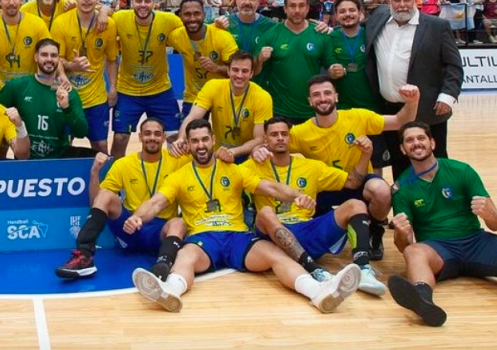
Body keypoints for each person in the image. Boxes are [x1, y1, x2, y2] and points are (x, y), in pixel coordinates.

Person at [127, 119, 361, 313]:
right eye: (195, 140)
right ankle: (170, 292)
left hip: (237, 235)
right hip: (203, 237)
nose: (200, 145)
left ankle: (318, 292)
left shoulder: (234, 169)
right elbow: (156, 202)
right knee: (185, 256)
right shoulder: (179, 176)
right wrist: (138, 216)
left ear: (213, 140)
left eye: (204, 139)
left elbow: (271, 188)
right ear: (188, 144)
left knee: (274, 254)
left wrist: (296, 196)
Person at [388, 121, 497, 327]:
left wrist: (489, 214)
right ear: (402, 149)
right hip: (438, 249)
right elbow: (404, 246)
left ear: (432, 143)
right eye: (409, 140)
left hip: (476, 242)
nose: (416, 143)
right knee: (413, 253)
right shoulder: (402, 187)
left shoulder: (461, 170)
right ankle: (422, 300)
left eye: (421, 138)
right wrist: (401, 232)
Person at [245, 117, 386, 296]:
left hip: (306, 229)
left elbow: (352, 182)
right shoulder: (250, 166)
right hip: (273, 235)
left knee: (355, 205)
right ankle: (314, 270)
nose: (280, 138)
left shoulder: (311, 167)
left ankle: (363, 269)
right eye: (274, 134)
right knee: (264, 212)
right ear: (265, 140)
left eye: (284, 134)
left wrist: (366, 154)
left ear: (290, 138)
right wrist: (252, 152)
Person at [55, 119, 190, 279]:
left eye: (157, 134)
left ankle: (162, 267)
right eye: (147, 133)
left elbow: (207, 160)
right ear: (140, 137)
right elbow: (95, 203)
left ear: (163, 138)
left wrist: (189, 147)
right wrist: (94, 173)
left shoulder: (180, 160)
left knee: (179, 223)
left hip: (159, 232)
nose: (152, 138)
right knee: (106, 195)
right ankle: (84, 256)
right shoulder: (123, 164)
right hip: (130, 228)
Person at [366, 0, 463, 179]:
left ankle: (443, 205)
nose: (402, 4)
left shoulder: (437, 26)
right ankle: (405, 206)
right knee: (400, 163)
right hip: (390, 110)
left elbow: (453, 66)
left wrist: (447, 96)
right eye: (397, 0)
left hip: (427, 108)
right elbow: (351, 27)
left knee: (435, 162)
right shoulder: (378, 18)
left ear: (415, 0)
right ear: (389, 1)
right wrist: (325, 27)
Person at [110, 0, 186, 157]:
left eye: (147, 1)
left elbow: (192, 30)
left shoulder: (169, 20)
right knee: (120, 137)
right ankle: (114, 176)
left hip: (159, 90)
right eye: (138, 1)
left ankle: (177, 178)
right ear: (131, 3)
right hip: (128, 91)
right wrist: (103, 11)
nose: (142, 5)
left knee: (174, 137)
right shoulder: (120, 18)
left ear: (154, 3)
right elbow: (103, 11)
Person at [51, 0, 118, 154]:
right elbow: (56, 58)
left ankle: (102, 181)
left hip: (96, 98)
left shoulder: (109, 25)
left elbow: (111, 60)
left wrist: (113, 89)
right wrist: (66, 72)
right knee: (63, 147)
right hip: (67, 96)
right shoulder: (61, 22)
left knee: (101, 147)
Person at [0, 38, 87, 159]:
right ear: (36, 57)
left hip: (57, 161)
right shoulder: (18, 86)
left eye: (54, 55)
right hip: (26, 161)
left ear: (58, 60)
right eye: (44, 55)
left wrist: (66, 108)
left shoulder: (68, 93)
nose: (49, 59)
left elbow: (81, 132)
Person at [176, 50, 272, 162]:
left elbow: (259, 139)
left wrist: (232, 152)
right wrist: (181, 138)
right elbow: (192, 117)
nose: (239, 75)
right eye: (235, 70)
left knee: (260, 151)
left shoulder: (263, 97)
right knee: (183, 152)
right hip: (218, 153)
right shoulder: (213, 86)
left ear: (251, 74)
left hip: (247, 153)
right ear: (228, 71)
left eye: (244, 71)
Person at [255, 0, 332, 124]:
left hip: (313, 110)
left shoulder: (320, 34)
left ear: (307, 8)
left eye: (301, 6)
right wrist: (260, 59)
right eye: (292, 6)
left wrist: (336, 69)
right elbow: (255, 71)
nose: (297, 10)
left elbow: (331, 69)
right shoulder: (271, 35)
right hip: (280, 111)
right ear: (285, 8)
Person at [171, 0, 238, 117]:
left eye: (197, 13)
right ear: (180, 16)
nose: (192, 18)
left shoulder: (222, 36)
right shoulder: (176, 36)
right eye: (187, 14)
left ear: (204, 14)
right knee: (187, 133)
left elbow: (237, 71)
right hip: (194, 96)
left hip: (222, 95)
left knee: (227, 135)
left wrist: (216, 68)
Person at [325, 0, 380, 112]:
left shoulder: (372, 35)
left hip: (371, 105)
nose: (348, 14)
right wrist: (332, 71)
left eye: (352, 10)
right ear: (336, 16)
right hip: (343, 106)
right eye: (342, 11)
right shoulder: (330, 38)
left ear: (360, 12)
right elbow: (327, 66)